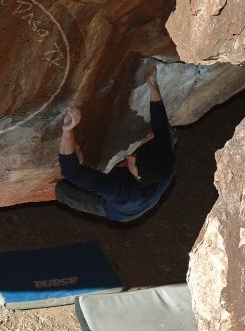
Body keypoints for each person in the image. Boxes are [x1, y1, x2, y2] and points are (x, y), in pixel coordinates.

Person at [55, 60, 176, 222]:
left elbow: (71, 171)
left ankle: (90, 190)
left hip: (123, 210)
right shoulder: (166, 158)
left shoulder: (120, 191)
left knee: (62, 191)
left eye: (134, 164)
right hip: (147, 189)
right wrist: (153, 84)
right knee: (169, 136)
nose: (130, 157)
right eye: (137, 156)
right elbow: (160, 124)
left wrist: (67, 131)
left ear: (137, 178)